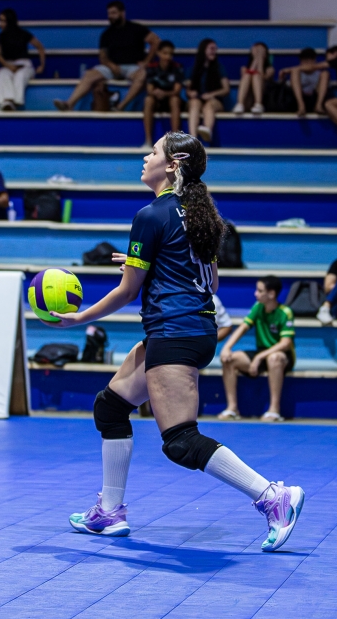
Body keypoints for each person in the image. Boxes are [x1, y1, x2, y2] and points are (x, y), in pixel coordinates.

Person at [51, 131, 305, 552]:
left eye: (153, 151)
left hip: (174, 332)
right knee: (110, 407)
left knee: (181, 441)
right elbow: (211, 282)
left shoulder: (151, 215)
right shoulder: (201, 215)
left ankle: (272, 496)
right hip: (195, 329)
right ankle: (109, 512)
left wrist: (80, 317)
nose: (145, 156)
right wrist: (148, 263)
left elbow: (127, 292)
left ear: (172, 164)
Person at [54, 0, 159, 113]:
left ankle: (120, 107)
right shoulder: (106, 34)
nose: (110, 16)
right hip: (111, 67)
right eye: (109, 13)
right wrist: (111, 65)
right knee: (89, 74)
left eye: (114, 13)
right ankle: (69, 104)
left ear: (122, 13)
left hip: (132, 67)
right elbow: (103, 56)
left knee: (142, 75)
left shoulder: (137, 28)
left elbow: (156, 41)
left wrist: (147, 61)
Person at [219, 276, 296, 422]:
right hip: (262, 352)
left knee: (274, 358)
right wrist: (226, 347)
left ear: (271, 294)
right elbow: (243, 328)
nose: (255, 294)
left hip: (282, 356)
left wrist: (260, 357)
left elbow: (285, 343)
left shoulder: (285, 312)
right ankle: (232, 408)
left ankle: (274, 409)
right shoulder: (258, 307)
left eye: (260, 291)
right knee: (229, 359)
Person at [0, 8, 45, 111]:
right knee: (2, 74)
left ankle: (15, 103)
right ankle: (7, 102)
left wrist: (42, 65)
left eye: (3, 21)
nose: (0, 24)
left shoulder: (24, 33)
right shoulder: (1, 36)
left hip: (24, 65)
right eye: (0, 20)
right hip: (8, 65)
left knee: (20, 76)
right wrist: (9, 66)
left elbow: (39, 47)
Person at [186, 38, 230, 144]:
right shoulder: (193, 68)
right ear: (203, 50)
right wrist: (191, 93)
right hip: (198, 99)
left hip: (214, 100)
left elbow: (226, 89)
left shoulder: (219, 68)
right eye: (211, 48)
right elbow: (188, 89)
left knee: (209, 105)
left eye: (215, 49)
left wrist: (211, 94)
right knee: (194, 103)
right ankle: (192, 138)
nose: (213, 51)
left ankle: (207, 129)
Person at [142, 40, 183, 147]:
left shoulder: (177, 67)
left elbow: (177, 90)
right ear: (158, 53)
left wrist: (164, 93)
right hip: (156, 100)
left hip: (170, 99)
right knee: (148, 100)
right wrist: (157, 93)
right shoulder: (152, 67)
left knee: (175, 100)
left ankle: (175, 142)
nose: (168, 57)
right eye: (165, 53)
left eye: (170, 54)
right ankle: (148, 141)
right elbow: (149, 89)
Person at [279, 48, 328, 117]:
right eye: (305, 61)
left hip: (313, 98)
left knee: (325, 73)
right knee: (295, 71)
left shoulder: (320, 74)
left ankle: (318, 106)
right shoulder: (296, 72)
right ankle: (301, 106)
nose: (307, 64)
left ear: (315, 60)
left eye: (310, 60)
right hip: (297, 99)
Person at [232, 42, 273, 116]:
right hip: (248, 99)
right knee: (247, 75)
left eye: (261, 51)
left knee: (256, 75)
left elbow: (262, 77)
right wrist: (256, 59)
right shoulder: (243, 68)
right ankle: (240, 104)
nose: (258, 53)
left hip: (264, 99)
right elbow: (250, 72)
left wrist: (260, 60)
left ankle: (258, 104)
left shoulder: (270, 69)